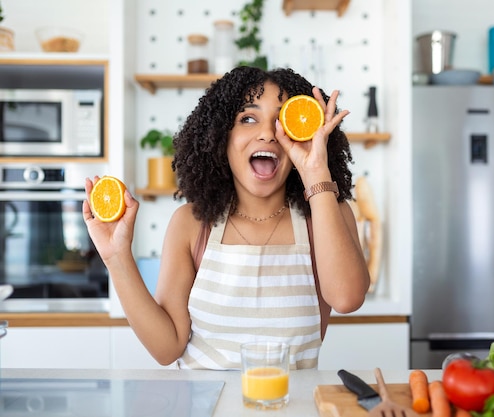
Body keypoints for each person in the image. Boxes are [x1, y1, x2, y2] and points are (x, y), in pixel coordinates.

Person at [83, 66, 370, 370]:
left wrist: (315, 172)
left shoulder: (325, 215)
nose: (267, 133)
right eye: (248, 118)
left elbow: (346, 298)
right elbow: (167, 349)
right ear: (222, 136)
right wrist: (116, 256)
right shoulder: (191, 224)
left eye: (280, 120)